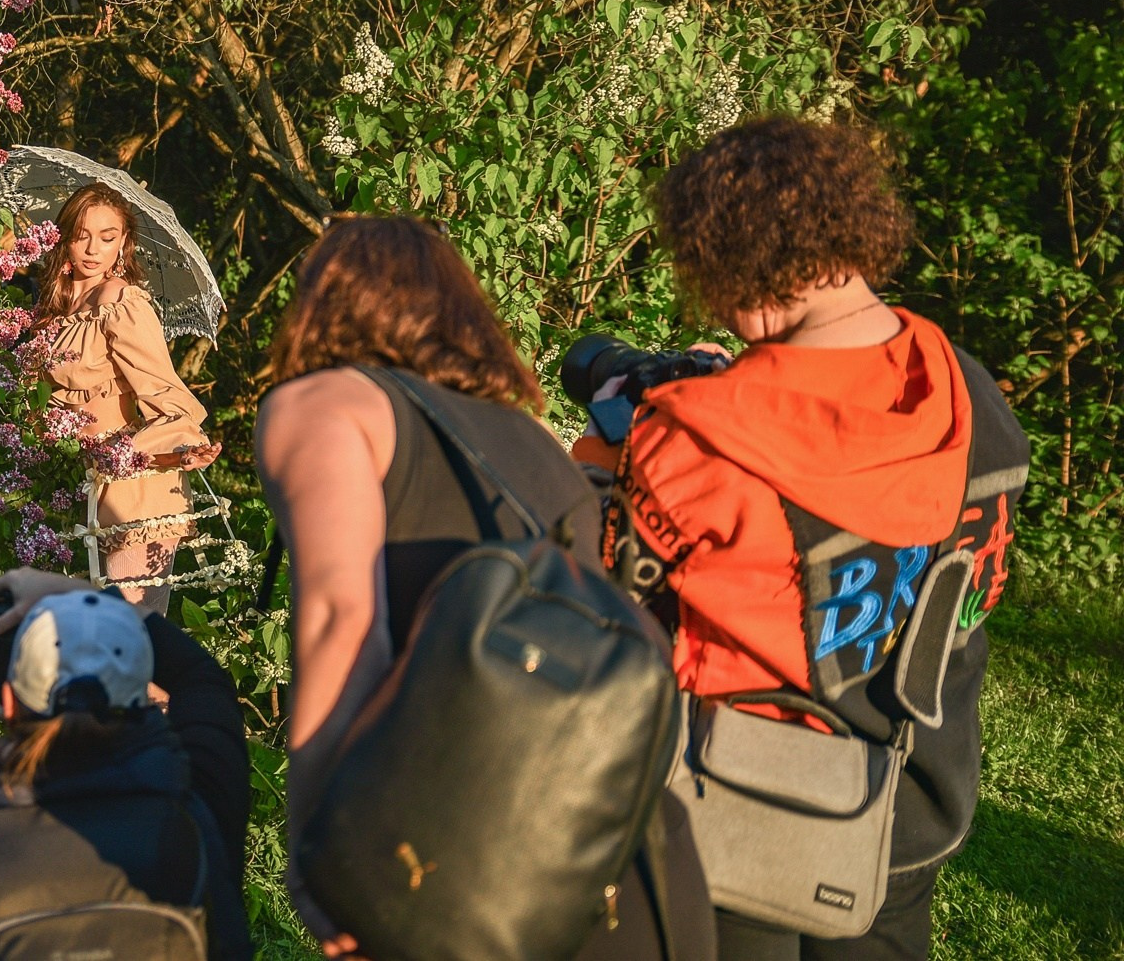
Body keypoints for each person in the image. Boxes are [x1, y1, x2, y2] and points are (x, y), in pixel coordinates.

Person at [576, 118, 1027, 961]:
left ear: (740, 277)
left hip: (740, 812)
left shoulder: (700, 436)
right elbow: (978, 584)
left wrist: (602, 463)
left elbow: (611, 595)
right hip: (909, 798)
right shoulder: (972, 395)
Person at [254, 215, 716, 961]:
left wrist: (324, 854)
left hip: (473, 874)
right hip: (627, 871)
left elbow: (342, 620)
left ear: (322, 301)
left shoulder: (328, 403)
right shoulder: (528, 439)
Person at [0, 568, 252, 960]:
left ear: (8, 703)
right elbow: (202, 679)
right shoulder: (203, 803)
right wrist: (85, 596)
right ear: (143, 697)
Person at [33, 182, 221, 614]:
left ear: (124, 243)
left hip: (137, 485)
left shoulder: (121, 301)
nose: (92, 249)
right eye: (81, 235)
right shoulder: (57, 307)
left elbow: (161, 388)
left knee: (128, 639)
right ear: (64, 237)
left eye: (107, 236)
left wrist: (185, 446)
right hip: (90, 484)